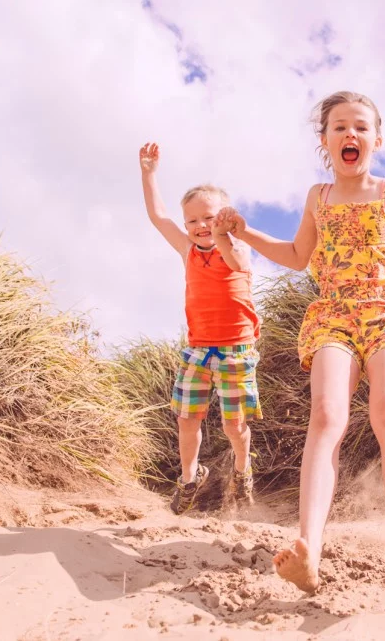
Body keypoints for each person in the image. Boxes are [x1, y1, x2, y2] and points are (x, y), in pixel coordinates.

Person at [214, 91, 385, 593]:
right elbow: (297, 254)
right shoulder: (317, 197)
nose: (350, 134)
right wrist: (245, 233)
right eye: (339, 127)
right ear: (324, 139)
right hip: (332, 313)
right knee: (327, 414)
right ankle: (307, 547)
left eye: (361, 127)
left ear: (376, 138)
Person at [139, 142, 260, 514]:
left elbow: (237, 261)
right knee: (186, 420)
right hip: (198, 349)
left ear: (224, 217)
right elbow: (159, 216)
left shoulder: (236, 247)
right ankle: (189, 479)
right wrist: (149, 173)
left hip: (236, 350)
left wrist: (226, 232)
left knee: (233, 427)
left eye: (208, 218)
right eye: (192, 221)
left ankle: (242, 471)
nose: (199, 226)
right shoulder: (188, 251)